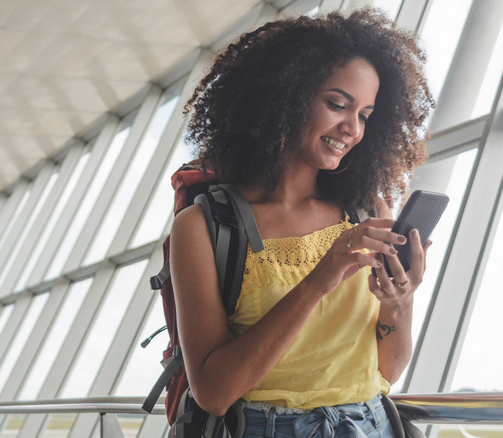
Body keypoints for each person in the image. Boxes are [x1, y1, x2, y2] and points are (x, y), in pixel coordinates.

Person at [169, 8, 435, 437]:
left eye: (365, 114)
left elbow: (387, 369)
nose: (352, 129)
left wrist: (400, 301)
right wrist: (318, 279)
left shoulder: (369, 211)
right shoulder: (205, 226)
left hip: (371, 424)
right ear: (285, 97)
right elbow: (214, 393)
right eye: (337, 104)